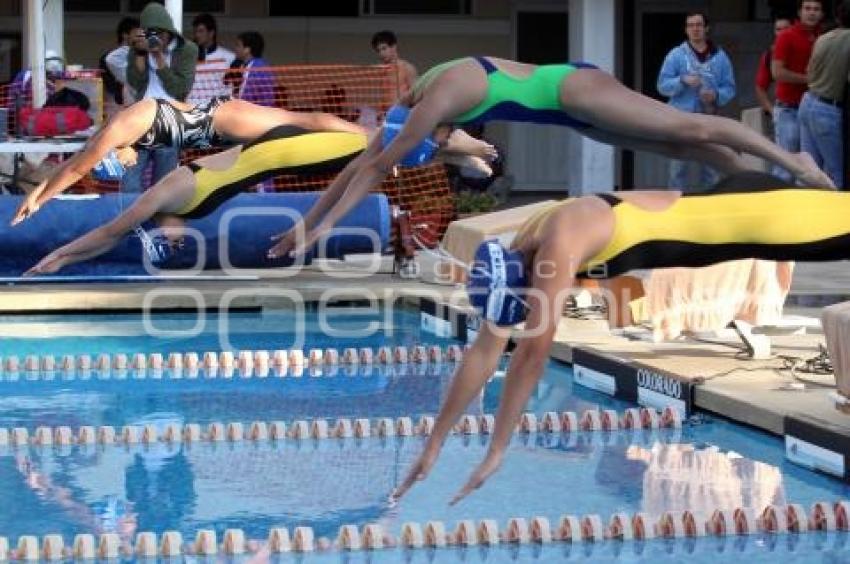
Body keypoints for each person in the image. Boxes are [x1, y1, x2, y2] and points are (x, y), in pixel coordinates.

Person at [389, 172, 850, 504]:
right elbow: (485, 351)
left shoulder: (558, 243)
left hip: (767, 219)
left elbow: (530, 355)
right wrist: (434, 443)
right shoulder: (521, 249)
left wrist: (496, 451)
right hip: (735, 204)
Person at [267, 56, 834, 260]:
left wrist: (321, 231)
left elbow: (373, 169)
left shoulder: (432, 104)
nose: (446, 144)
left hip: (575, 90)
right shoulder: (413, 108)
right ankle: (773, 192)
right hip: (567, 113)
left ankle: (799, 164)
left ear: (427, 133)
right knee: (684, 149)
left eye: (438, 147)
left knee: (686, 125)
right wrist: (305, 225)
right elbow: (359, 166)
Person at [22, 115, 498, 276]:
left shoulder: (166, 194)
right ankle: (454, 154)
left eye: (168, 241)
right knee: (373, 157)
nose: (173, 241)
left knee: (372, 143)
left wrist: (61, 256)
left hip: (281, 149)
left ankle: (460, 144)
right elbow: (109, 239)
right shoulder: (188, 207)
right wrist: (67, 259)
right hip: (281, 157)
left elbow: (109, 230)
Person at [10, 97, 367, 226]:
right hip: (217, 129)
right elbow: (75, 161)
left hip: (220, 119)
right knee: (293, 137)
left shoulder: (120, 127)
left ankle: (369, 135)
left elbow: (77, 168)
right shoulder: (115, 131)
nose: (119, 158)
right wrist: (37, 191)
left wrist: (40, 201)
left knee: (302, 123)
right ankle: (365, 142)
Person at [123, 2, 198, 194]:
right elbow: (136, 82)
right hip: (141, 120)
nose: (157, 38)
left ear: (169, 31)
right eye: (151, 33)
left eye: (160, 33)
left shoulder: (187, 50)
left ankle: (158, 223)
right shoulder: (139, 47)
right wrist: (139, 52)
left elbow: (180, 88)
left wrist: (159, 60)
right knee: (129, 182)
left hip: (170, 121)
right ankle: (131, 222)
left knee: (163, 186)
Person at [657, 11, 736, 190]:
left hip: (709, 118)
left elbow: (730, 88)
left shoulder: (720, 56)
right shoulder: (675, 55)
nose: (695, 29)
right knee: (678, 168)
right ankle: (677, 207)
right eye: (691, 25)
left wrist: (716, 95)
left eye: (699, 25)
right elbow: (662, 86)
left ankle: (712, 207)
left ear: (706, 28)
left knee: (712, 168)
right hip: (680, 118)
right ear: (686, 30)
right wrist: (682, 81)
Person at [798, 0, 850, 189]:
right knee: (836, 174)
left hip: (807, 101)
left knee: (809, 171)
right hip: (828, 108)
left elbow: (809, 71)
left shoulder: (823, 37)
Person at [771, 0, 824, 181]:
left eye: (816, 9)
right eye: (807, 9)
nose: (812, 13)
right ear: (799, 12)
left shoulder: (823, 36)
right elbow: (777, 73)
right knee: (786, 166)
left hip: (815, 109)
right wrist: (810, 80)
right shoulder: (786, 36)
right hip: (789, 109)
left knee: (811, 167)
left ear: (822, 14)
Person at [187, 13, 236, 105]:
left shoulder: (229, 57)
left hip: (217, 111)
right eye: (195, 32)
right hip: (192, 110)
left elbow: (234, 86)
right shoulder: (188, 57)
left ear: (211, 33)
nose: (197, 35)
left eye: (201, 31)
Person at [755, 16, 793, 123]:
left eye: (785, 29)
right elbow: (760, 88)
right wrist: (773, 112)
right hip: (784, 110)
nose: (782, 33)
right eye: (778, 29)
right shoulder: (769, 55)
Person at [101, 17, 141, 113]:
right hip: (125, 104)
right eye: (137, 34)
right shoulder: (114, 56)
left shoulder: (141, 54)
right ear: (125, 35)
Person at [232, 31, 275, 107]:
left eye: (238, 45)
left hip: (256, 114)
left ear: (247, 49)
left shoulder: (256, 68)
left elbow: (247, 97)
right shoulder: (253, 65)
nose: (235, 48)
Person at [371, 30, 418, 97]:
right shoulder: (381, 71)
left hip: (402, 107)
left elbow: (416, 95)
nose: (381, 53)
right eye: (378, 51)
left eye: (384, 48)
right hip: (385, 107)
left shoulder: (407, 68)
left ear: (394, 47)